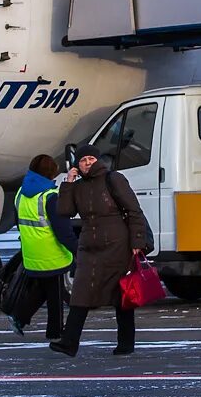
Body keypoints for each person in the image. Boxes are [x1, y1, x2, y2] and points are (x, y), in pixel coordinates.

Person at [50, 145, 151, 357]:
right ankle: (69, 343)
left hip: (117, 244)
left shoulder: (113, 179)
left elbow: (134, 210)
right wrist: (67, 183)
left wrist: (137, 241)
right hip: (89, 246)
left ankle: (126, 343)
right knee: (80, 291)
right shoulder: (77, 187)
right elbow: (64, 211)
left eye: (90, 159)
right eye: (83, 160)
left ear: (98, 160)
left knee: (122, 293)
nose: (87, 163)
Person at [12, 154, 78, 341]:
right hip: (52, 254)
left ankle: (20, 316)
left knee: (44, 289)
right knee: (55, 294)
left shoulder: (20, 194)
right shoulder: (49, 197)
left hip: (32, 252)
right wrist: (77, 248)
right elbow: (62, 230)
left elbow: (17, 222)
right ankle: (55, 331)